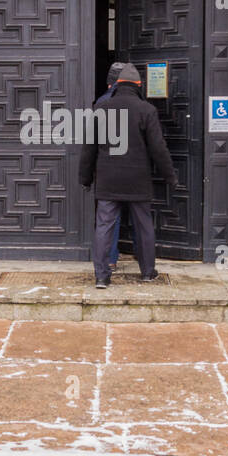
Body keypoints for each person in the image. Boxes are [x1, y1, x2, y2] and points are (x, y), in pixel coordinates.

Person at [79, 62, 177, 287]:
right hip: (137, 180)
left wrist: (85, 178)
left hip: (108, 179)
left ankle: (102, 276)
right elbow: (158, 148)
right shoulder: (146, 110)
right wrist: (170, 176)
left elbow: (89, 147)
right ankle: (147, 272)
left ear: (116, 84)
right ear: (139, 85)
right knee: (143, 226)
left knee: (104, 226)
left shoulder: (101, 109)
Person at [94, 62, 135, 269]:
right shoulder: (136, 102)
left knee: (109, 217)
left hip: (109, 167)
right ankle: (144, 256)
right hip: (135, 167)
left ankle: (109, 260)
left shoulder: (102, 103)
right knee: (140, 214)